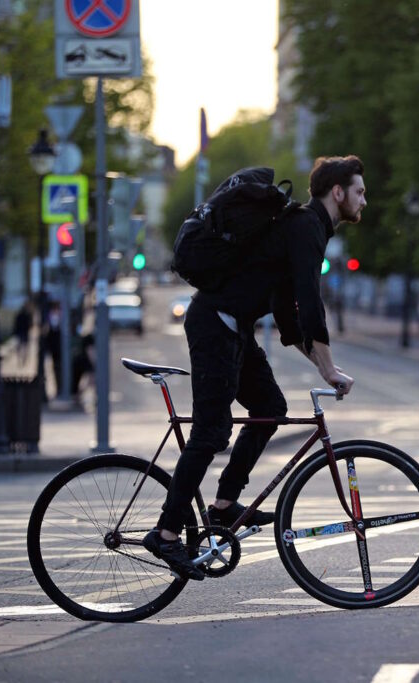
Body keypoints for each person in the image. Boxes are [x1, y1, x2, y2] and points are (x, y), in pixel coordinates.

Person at [144, 156, 366, 580]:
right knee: (211, 432)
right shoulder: (306, 227)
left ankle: (224, 505)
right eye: (360, 191)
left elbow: (288, 315)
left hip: (235, 328)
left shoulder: (304, 228)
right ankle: (167, 534)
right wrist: (329, 367)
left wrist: (322, 365)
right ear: (337, 192)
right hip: (215, 324)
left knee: (269, 407)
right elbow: (309, 300)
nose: (364, 200)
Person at [13, 299, 33, 369]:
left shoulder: (20, 315)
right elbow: (30, 325)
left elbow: (16, 324)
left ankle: (21, 359)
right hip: (24, 333)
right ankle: (22, 359)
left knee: (21, 347)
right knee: (23, 347)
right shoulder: (27, 315)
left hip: (21, 333)